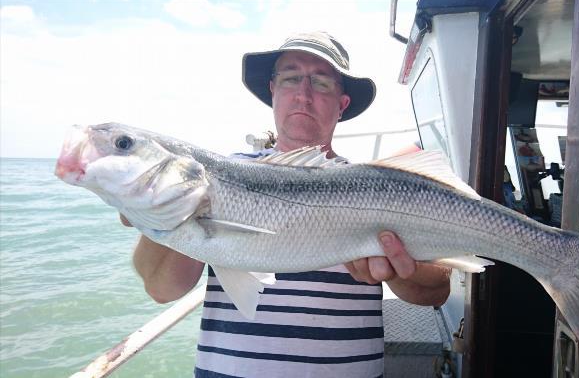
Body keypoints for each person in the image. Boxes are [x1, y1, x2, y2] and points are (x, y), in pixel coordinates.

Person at [125, 31, 451, 377]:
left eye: (322, 82)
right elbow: (162, 288)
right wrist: (166, 206)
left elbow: (437, 291)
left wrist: (403, 269)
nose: (304, 95)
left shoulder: (373, 188)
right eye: (291, 78)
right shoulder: (218, 174)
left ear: (342, 103)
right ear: (273, 90)